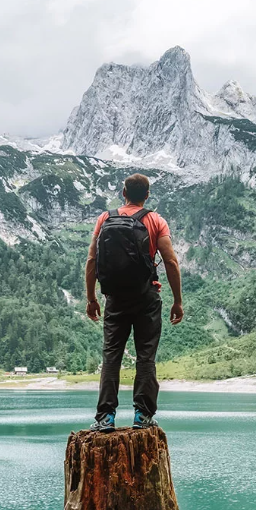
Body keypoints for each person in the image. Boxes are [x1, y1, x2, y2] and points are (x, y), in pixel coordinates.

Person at [85, 173, 183, 431]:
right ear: (147, 195)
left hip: (114, 299)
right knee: (146, 356)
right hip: (146, 298)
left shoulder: (105, 218)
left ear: (123, 192)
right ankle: (143, 416)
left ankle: (105, 417)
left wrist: (92, 298)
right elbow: (171, 262)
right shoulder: (155, 220)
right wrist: (177, 301)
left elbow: (92, 260)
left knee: (111, 356)